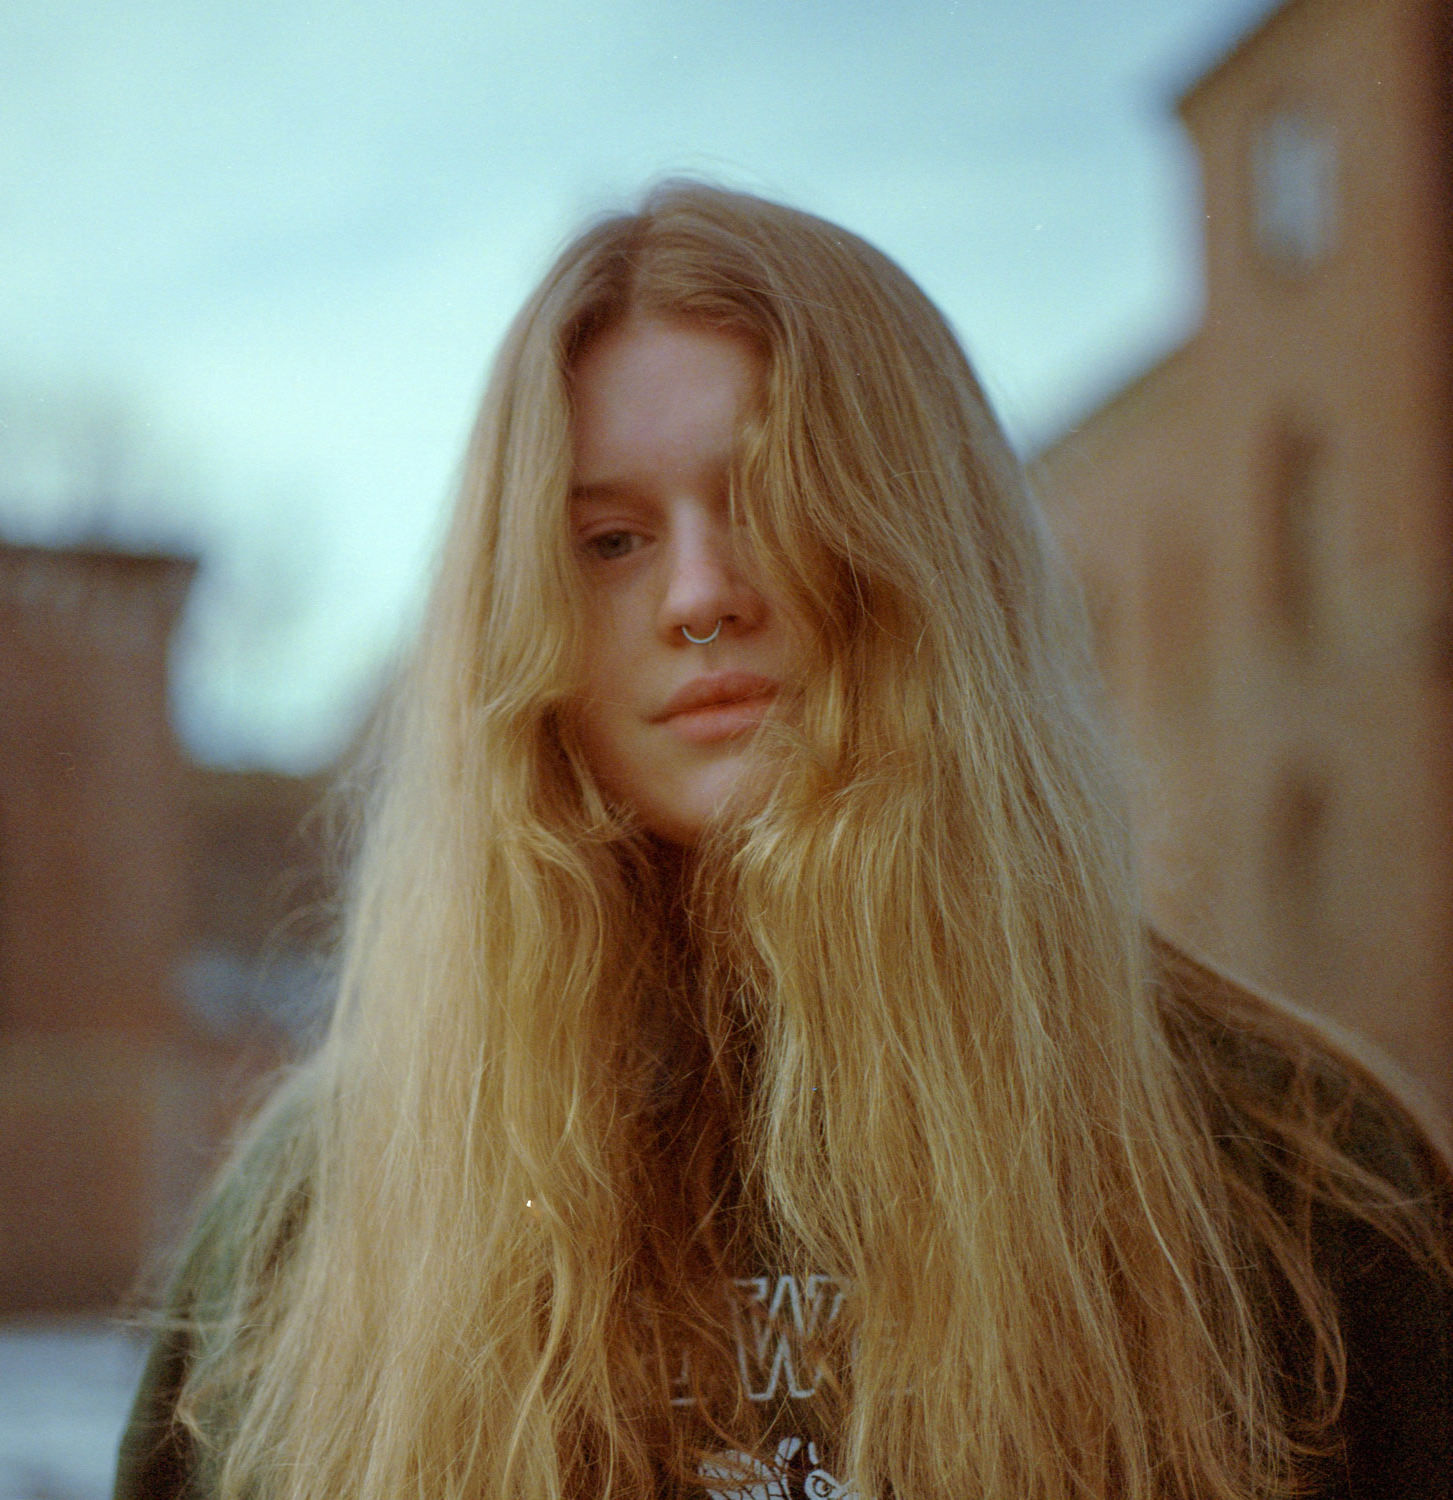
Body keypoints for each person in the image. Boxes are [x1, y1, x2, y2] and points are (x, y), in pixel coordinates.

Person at [115, 181, 1451, 1500]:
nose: (700, 594)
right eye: (611, 541)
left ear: (929, 542)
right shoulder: (315, 1222)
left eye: (773, 494)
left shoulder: (1299, 1177)